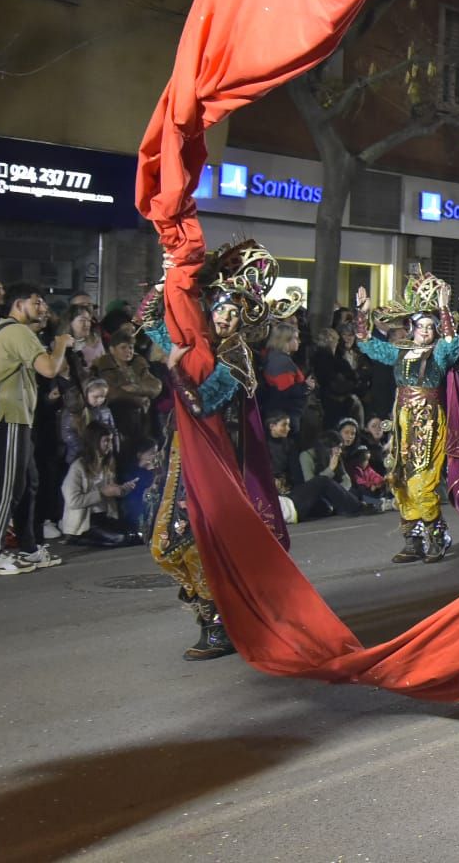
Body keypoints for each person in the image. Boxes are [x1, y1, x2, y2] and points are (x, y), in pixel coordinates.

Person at [141, 241, 295, 659]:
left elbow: (202, 403)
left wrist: (174, 370)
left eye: (233, 313)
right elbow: (151, 319)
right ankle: (214, 612)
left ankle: (216, 623)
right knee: (162, 544)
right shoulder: (199, 341)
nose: (224, 317)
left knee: (193, 542)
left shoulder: (237, 356)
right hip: (178, 456)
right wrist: (170, 275)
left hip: (215, 463)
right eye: (220, 309)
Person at [354, 274, 459, 563]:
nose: (424, 331)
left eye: (428, 326)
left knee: (423, 481)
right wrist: (362, 312)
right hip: (403, 421)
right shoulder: (400, 351)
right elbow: (367, 344)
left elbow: (451, 342)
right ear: (411, 328)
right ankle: (413, 539)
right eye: (420, 326)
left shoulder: (439, 354)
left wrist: (444, 310)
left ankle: (437, 535)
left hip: (429, 422)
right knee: (399, 479)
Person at [0, 282, 72, 575]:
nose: (42, 309)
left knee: (26, 483)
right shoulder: (16, 331)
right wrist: (61, 343)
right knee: (6, 487)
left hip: (18, 417)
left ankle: (28, 547)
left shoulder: (11, 331)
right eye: (37, 302)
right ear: (19, 304)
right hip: (8, 417)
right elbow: (50, 368)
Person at [60, 422, 136, 548]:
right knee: (121, 539)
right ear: (94, 442)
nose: (109, 445)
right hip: (87, 522)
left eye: (111, 441)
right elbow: (73, 501)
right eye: (106, 441)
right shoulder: (78, 467)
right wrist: (102, 493)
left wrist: (122, 490)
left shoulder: (107, 464)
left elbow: (110, 492)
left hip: (105, 517)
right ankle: (77, 539)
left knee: (135, 533)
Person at [95, 324, 163, 445]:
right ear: (112, 349)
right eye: (123, 347)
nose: (129, 351)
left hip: (143, 418)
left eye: (131, 347)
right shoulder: (105, 365)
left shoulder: (138, 362)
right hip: (119, 417)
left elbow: (155, 385)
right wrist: (138, 399)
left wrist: (136, 388)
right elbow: (111, 392)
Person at [259, 322, 311, 432]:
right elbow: (285, 391)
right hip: (284, 418)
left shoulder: (276, 357)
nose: (299, 342)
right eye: (296, 338)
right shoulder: (281, 362)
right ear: (285, 340)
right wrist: (306, 386)